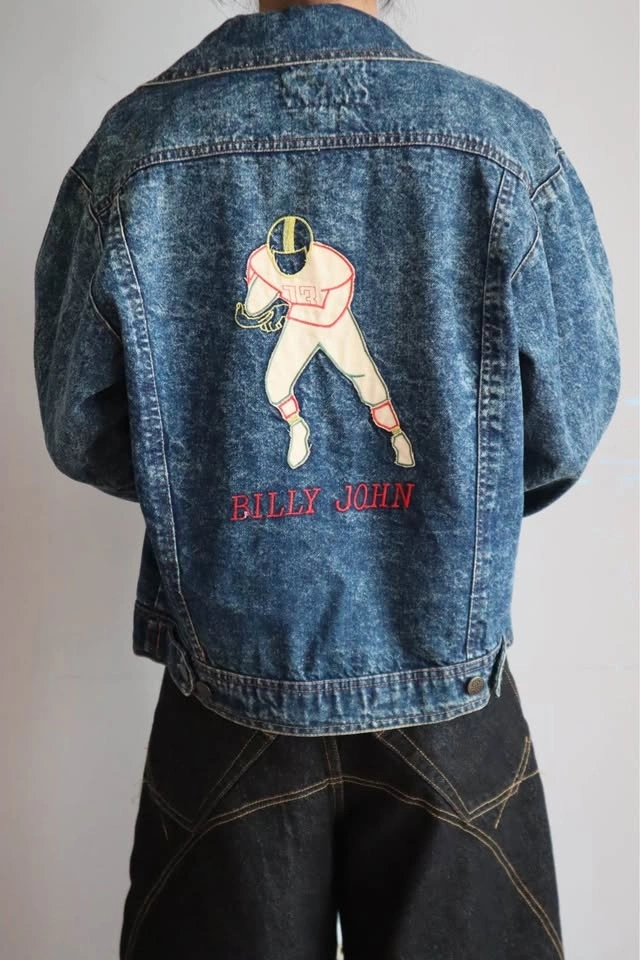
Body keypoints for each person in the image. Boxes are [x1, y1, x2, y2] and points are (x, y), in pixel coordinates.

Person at [32, 1, 621, 957]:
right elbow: (564, 424)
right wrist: (454, 503)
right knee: (288, 389)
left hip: (231, 684)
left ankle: (368, 436)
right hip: (444, 673)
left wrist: (206, 487)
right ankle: (314, 431)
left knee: (365, 383)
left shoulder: (137, 150)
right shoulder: (501, 145)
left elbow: (82, 426)